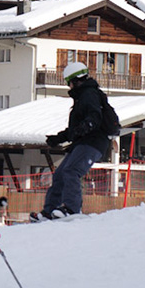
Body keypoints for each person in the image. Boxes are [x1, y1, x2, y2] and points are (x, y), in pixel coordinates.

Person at [35, 61, 117, 220]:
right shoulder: (81, 98)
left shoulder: (89, 95)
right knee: (60, 174)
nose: (69, 87)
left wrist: (86, 126)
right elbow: (75, 129)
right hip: (83, 142)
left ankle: (72, 209)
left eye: (69, 83)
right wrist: (59, 138)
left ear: (75, 81)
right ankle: (49, 211)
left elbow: (94, 118)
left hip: (93, 142)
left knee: (71, 170)